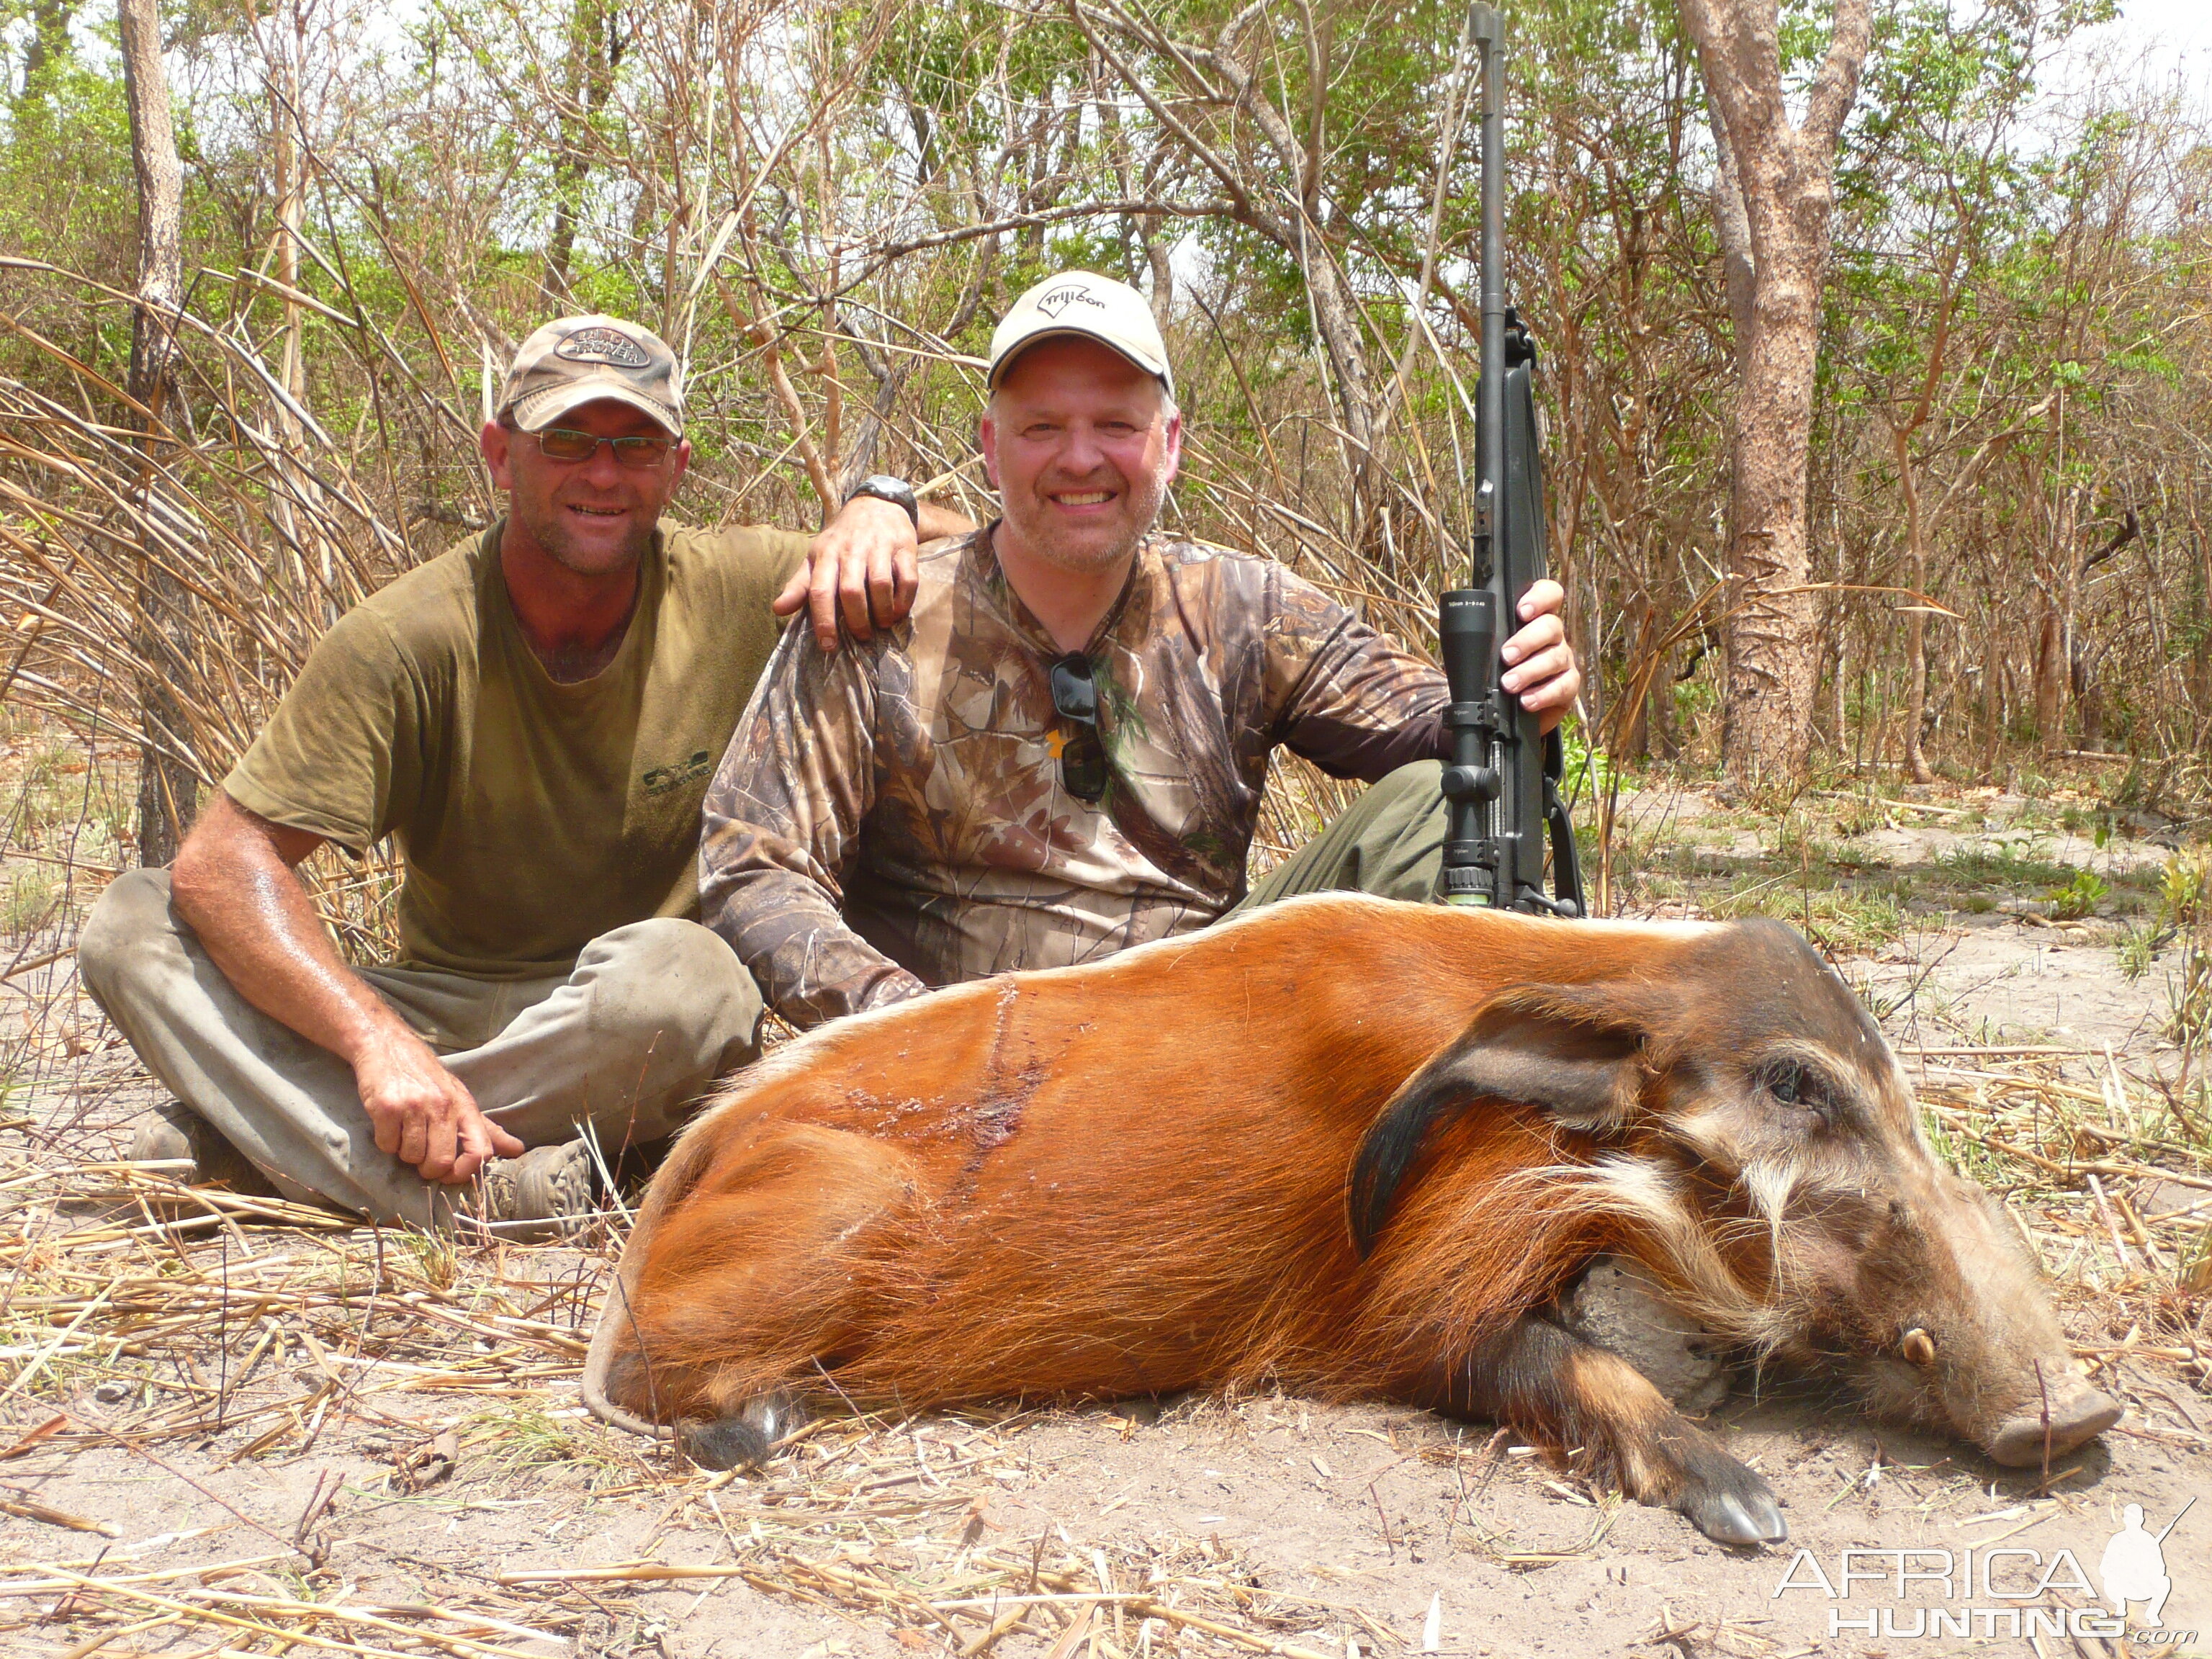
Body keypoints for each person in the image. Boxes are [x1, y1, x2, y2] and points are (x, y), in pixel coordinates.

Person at [78, 314, 970, 1235]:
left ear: (677, 468)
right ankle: (482, 1189)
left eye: (635, 446)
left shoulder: (743, 584)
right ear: (501, 456)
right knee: (131, 921)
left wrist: (882, 508)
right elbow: (226, 861)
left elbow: (982, 556)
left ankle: (270, 1132)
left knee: (695, 981)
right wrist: (376, 1043)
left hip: (626, 1020)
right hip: (438, 1005)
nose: (601, 473)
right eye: (567, 440)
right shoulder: (409, 636)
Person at [698, 272, 1580, 1030]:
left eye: (1116, 425)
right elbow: (752, 865)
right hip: (946, 1057)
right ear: (989, 447)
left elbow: (1450, 740)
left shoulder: (1245, 605)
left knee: (1441, 801)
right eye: (1042, 428)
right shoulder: (874, 608)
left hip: (1197, 1037)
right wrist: (905, 1023)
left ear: (1169, 444)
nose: (1080, 459)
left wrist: (1524, 691)